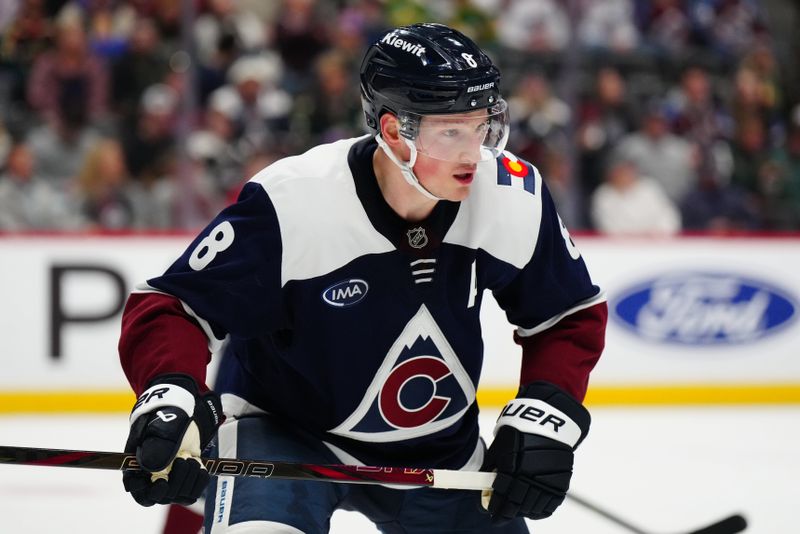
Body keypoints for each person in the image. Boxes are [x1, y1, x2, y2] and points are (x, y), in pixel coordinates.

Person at [118, 23, 607, 533]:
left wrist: (545, 408)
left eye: (482, 126)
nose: (473, 152)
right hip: (284, 434)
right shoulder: (294, 202)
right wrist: (170, 393)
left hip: (437, 445)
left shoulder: (511, 192)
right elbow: (171, 306)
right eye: (452, 131)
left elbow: (567, 314)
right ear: (395, 131)